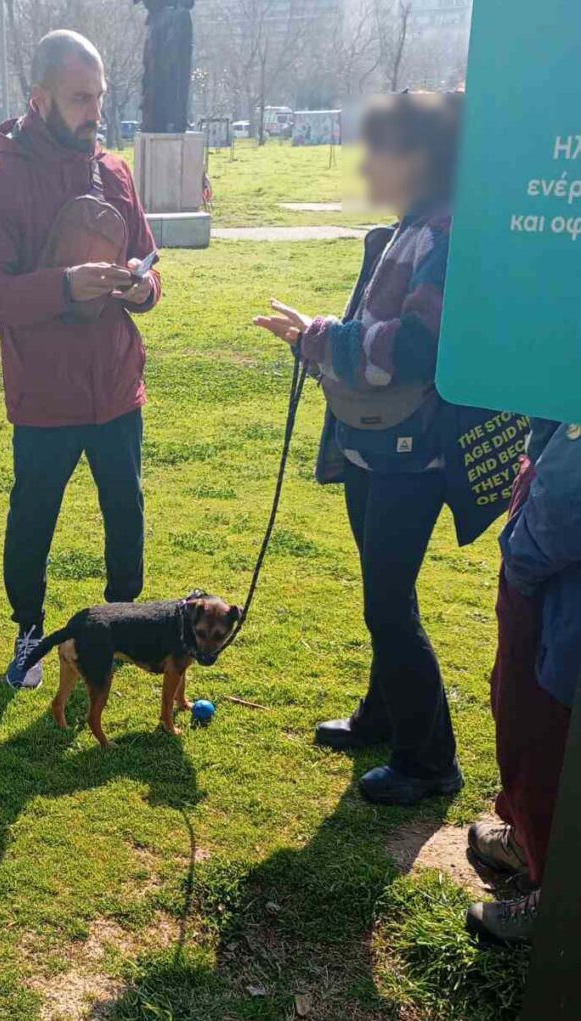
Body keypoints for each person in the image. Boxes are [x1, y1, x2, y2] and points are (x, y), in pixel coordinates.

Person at [254, 92, 470, 806]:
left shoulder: (444, 232)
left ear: (420, 158)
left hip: (413, 454)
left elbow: (415, 349)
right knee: (385, 595)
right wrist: (319, 338)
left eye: (381, 148)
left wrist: (320, 338)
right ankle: (385, 717)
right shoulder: (413, 225)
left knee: (388, 603)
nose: (367, 163)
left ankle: (429, 761)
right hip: (375, 447)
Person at [0, 30, 161, 691]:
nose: (94, 113)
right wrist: (64, 286)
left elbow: (151, 266)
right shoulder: (1, 180)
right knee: (34, 516)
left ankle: (121, 623)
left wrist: (141, 288)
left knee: (126, 511)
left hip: (116, 386)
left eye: (99, 97)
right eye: (80, 99)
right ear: (39, 98)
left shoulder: (116, 173)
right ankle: (29, 631)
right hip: (45, 394)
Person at [465, 421, 581, 947]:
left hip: (557, 572)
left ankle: (554, 892)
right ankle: (529, 842)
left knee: (546, 727)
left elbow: (565, 504)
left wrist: (521, 561)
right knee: (519, 703)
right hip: (547, 553)